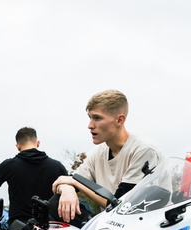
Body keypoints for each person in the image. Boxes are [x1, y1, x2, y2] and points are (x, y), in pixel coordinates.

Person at [52, 90, 163, 222]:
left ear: (119, 120)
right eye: (90, 117)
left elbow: (121, 206)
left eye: (97, 118)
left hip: (145, 225)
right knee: (56, 202)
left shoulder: (143, 149)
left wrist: (73, 182)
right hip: (113, 223)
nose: (90, 125)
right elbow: (67, 181)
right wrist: (67, 188)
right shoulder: (98, 153)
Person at [0, 127, 68, 223]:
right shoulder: (57, 166)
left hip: (18, 229)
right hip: (50, 227)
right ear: (38, 143)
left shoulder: (9, 165)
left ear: (18, 146)